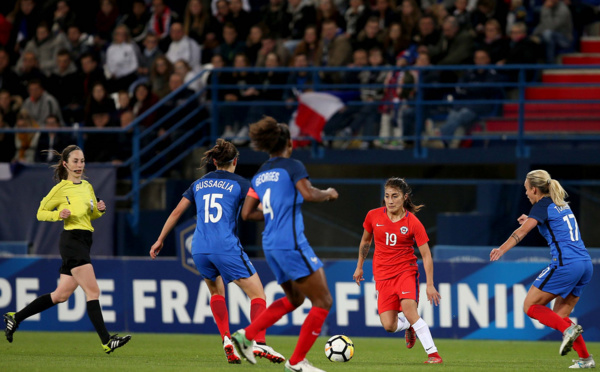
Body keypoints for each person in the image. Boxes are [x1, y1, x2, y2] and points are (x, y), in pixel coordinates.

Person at [149, 139, 285, 365]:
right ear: (235, 161)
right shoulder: (241, 183)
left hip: (200, 248)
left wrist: (160, 239)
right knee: (258, 295)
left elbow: (176, 212)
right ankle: (259, 342)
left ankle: (226, 339)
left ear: (213, 161)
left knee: (216, 294)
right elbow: (260, 208)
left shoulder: (199, 183)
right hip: (225, 246)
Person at [231, 117, 339, 372]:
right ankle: (297, 361)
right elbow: (309, 193)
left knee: (294, 299)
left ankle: (246, 335)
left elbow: (247, 213)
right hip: (290, 243)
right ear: (289, 144)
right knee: (323, 301)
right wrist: (329, 194)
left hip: (270, 244)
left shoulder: (260, 174)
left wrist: (273, 213)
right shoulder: (293, 166)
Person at [3, 145, 131, 354]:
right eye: (75, 161)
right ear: (65, 164)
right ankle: (107, 341)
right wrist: (57, 215)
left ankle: (15, 317)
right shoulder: (61, 188)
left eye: (82, 161)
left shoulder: (87, 186)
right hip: (72, 241)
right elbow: (40, 213)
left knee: (60, 295)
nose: (79, 165)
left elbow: (90, 216)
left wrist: (100, 210)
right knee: (93, 291)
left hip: (84, 239)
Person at [490, 170, 595, 369]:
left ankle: (568, 333)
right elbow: (554, 226)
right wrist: (530, 218)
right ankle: (585, 359)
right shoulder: (560, 204)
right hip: (585, 265)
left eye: (527, 190)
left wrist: (501, 249)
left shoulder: (542, 205)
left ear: (535, 189)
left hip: (566, 264)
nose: (526, 194)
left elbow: (522, 232)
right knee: (559, 318)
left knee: (530, 306)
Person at [353, 177, 443, 364]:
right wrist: (359, 266)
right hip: (382, 276)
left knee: (410, 311)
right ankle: (409, 326)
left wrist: (431, 284)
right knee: (389, 325)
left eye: (395, 196)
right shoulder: (373, 216)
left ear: (404, 197)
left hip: (405, 271)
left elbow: (426, 255)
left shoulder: (413, 223)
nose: (390, 200)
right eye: (387, 196)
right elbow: (365, 241)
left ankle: (433, 354)